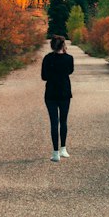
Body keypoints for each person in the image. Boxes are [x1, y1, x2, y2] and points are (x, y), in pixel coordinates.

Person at [41, 34, 74, 162]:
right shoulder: (69, 58)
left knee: (54, 122)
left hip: (50, 93)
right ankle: (63, 149)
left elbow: (44, 77)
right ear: (63, 45)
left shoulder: (47, 58)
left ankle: (55, 153)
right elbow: (70, 71)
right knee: (63, 121)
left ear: (52, 46)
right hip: (65, 93)